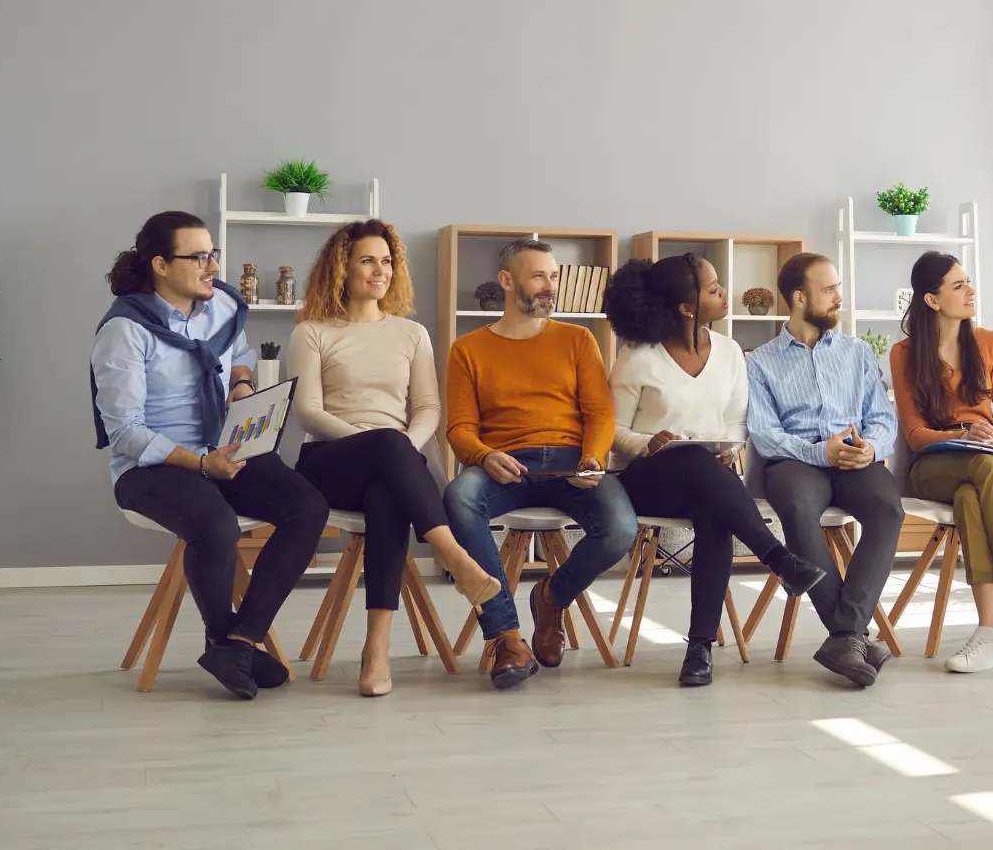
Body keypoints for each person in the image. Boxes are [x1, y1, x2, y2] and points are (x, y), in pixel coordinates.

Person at [91, 211, 328, 700]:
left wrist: (241, 383)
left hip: (220, 447)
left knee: (307, 508)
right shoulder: (125, 330)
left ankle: (239, 642)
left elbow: (237, 353)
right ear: (160, 264)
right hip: (150, 467)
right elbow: (126, 433)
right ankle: (223, 638)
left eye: (213, 254)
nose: (212, 266)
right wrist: (200, 465)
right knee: (215, 522)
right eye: (198, 256)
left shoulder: (219, 304)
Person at [288, 220, 503, 697]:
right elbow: (308, 412)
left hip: (393, 464)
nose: (380, 270)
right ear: (341, 267)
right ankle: (454, 556)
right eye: (367, 260)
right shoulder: (312, 331)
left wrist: (395, 448)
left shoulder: (411, 333)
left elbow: (427, 409)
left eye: (387, 261)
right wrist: (379, 444)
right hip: (328, 461)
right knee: (388, 446)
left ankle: (376, 649)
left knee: (389, 490)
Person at [604, 254, 828, 687]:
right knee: (692, 461)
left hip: (708, 479)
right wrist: (648, 442)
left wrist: (727, 448)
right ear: (687, 308)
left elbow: (734, 422)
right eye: (712, 288)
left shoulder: (728, 352)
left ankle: (699, 649)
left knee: (714, 510)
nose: (723, 293)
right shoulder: (637, 358)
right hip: (644, 479)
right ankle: (779, 558)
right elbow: (611, 430)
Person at [442, 239, 638, 689]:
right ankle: (507, 636)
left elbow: (600, 413)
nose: (550, 287)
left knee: (621, 527)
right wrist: (485, 455)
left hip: (573, 463)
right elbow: (459, 428)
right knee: (459, 495)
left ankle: (551, 597)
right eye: (538, 277)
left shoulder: (577, 339)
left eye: (553, 277)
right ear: (507, 281)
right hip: (505, 466)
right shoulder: (467, 349)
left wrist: (593, 457)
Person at [889, 252, 993, 673]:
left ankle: (987, 635)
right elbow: (914, 434)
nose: (971, 292)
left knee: (972, 495)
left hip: (987, 460)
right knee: (982, 470)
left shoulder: (989, 343)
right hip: (932, 466)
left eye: (969, 282)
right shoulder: (904, 353)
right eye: (958, 286)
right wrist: (961, 437)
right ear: (931, 300)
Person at [746, 252, 903, 687]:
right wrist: (820, 453)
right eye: (830, 289)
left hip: (855, 458)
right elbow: (764, 433)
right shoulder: (759, 361)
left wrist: (870, 449)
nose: (840, 297)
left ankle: (845, 634)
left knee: (888, 509)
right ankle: (850, 636)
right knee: (797, 507)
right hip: (796, 461)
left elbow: (882, 416)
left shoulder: (856, 352)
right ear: (799, 298)